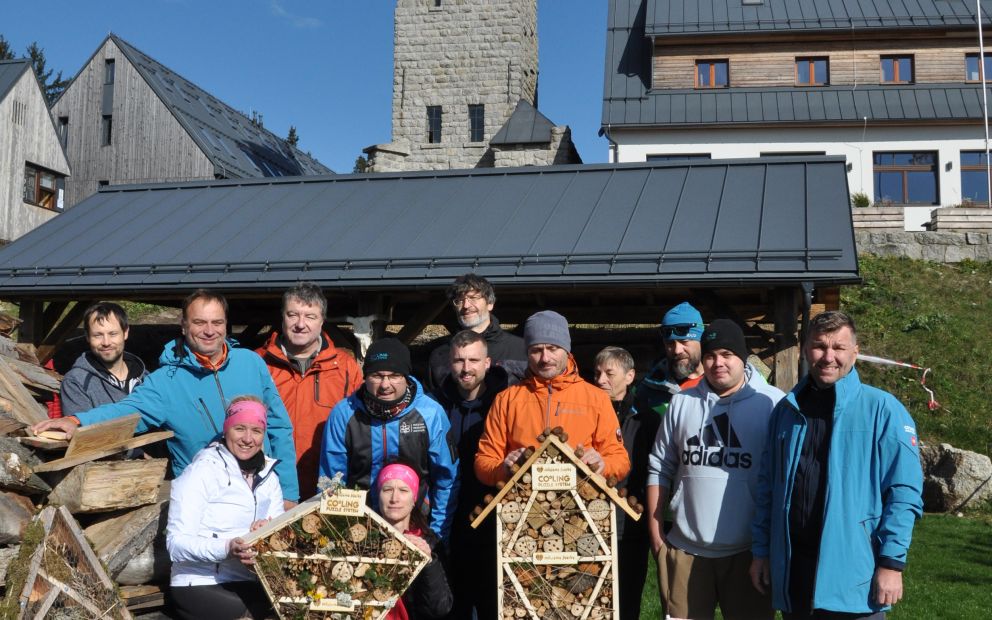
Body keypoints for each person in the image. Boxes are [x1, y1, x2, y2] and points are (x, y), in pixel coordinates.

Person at [32, 289, 300, 503]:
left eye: (217, 322)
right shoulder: (164, 381)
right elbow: (126, 411)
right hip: (205, 500)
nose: (209, 330)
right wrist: (77, 421)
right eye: (199, 322)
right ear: (183, 325)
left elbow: (278, 427)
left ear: (226, 325)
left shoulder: (251, 363)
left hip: (263, 492)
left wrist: (288, 492)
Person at [750, 311, 924, 619]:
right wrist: (762, 551)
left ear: (855, 352)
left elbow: (904, 493)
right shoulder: (785, 412)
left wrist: (892, 563)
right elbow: (767, 488)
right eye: (819, 346)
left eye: (839, 348)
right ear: (805, 349)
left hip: (853, 577)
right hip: (795, 575)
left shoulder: (883, 410)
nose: (828, 356)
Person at [647, 319, 783, 620]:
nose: (718, 363)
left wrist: (769, 546)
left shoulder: (772, 404)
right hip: (685, 549)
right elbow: (659, 465)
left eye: (727, 354)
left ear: (743, 358)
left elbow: (783, 479)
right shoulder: (681, 402)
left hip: (749, 552)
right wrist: (656, 534)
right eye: (710, 355)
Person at [319, 338, 458, 539]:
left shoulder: (431, 414)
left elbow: (447, 479)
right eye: (377, 375)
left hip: (417, 528)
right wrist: (339, 530)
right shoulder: (343, 414)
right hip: (359, 528)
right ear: (365, 377)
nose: (385, 385)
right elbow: (331, 482)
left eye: (394, 376)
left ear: (406, 377)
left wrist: (436, 535)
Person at [474, 310, 630, 486]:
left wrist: (604, 465)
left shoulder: (596, 399)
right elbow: (483, 462)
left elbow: (620, 460)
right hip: (521, 507)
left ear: (566, 350)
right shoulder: (507, 400)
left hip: (581, 506)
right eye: (536, 350)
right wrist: (503, 469)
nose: (545, 358)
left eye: (552, 348)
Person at [166, 396, 284, 620]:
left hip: (249, 580)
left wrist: (268, 537)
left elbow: (278, 540)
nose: (248, 439)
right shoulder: (203, 471)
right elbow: (176, 544)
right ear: (226, 429)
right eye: (240, 428)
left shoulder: (269, 477)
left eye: (256, 431)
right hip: (199, 582)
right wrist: (228, 547)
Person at [257, 282, 362, 499]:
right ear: (282, 317)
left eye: (310, 316)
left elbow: (360, 429)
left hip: (328, 487)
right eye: (293, 315)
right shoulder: (257, 363)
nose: (300, 324)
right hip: (268, 485)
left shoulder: (345, 367)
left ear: (322, 321)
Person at [433, 330, 509, 620]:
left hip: (493, 511)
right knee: (453, 600)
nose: (466, 368)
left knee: (493, 599)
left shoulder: (504, 403)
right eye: (459, 360)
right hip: (448, 513)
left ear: (488, 362)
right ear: (450, 363)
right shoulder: (436, 405)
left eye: (474, 360)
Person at [592, 346, 652, 620]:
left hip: (629, 526)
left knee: (627, 602)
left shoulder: (646, 421)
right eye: (597, 373)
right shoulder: (588, 414)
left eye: (609, 373)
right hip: (590, 524)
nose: (601, 379)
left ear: (629, 376)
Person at [376, 461, 454, 620]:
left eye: (403, 490)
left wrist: (429, 562)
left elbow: (440, 608)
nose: (394, 498)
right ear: (378, 496)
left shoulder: (431, 542)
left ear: (414, 499)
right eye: (387, 489)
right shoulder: (363, 539)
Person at [427, 273, 526, 391]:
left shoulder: (521, 349)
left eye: (473, 298)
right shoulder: (440, 354)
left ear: (490, 303)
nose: (466, 305)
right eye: (459, 300)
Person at [60, 302, 148, 416]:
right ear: (87, 336)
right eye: (98, 335)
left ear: (125, 333)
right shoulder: (76, 382)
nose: (106, 342)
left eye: (113, 334)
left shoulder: (146, 378)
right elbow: (82, 430)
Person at [631, 301, 705, 418]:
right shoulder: (647, 389)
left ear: (700, 340)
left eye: (684, 341)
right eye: (670, 343)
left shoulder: (722, 381)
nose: (677, 350)